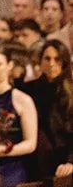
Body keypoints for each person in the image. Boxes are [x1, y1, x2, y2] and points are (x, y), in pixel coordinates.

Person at [0, 41, 37, 187]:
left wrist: (4, 151)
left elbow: (31, 143)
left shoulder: (23, 100)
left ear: (9, 66)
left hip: (11, 169)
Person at [27, 39, 73, 178]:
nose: (52, 64)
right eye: (47, 58)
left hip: (65, 158)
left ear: (64, 62)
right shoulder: (28, 90)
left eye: (57, 59)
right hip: (36, 160)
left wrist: (71, 162)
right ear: (40, 61)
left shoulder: (70, 92)